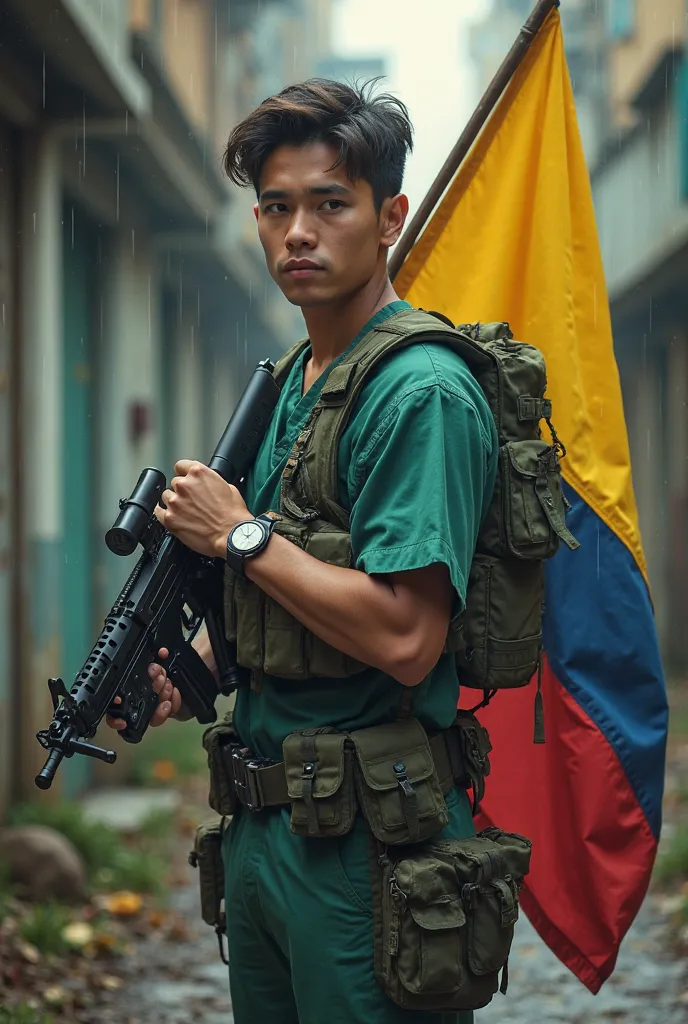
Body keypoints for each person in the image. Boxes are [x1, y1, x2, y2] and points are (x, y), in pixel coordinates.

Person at [107, 79, 498, 1024]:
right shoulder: (293, 382)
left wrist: (238, 534)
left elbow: (409, 636)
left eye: (330, 204)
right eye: (277, 208)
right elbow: (301, 582)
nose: (298, 233)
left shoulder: (422, 394)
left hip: (371, 845)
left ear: (390, 216)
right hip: (264, 827)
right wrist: (201, 660)